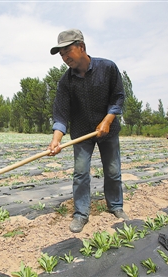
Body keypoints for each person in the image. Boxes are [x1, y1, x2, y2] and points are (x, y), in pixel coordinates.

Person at [47, 29, 128, 233]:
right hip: (82, 133)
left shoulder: (108, 68)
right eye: (61, 54)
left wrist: (108, 120)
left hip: (108, 130)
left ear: (81, 47)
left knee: (112, 170)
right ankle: (81, 213)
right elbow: (61, 113)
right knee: (81, 172)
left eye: (67, 51)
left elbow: (118, 97)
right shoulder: (66, 82)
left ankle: (116, 206)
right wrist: (56, 139)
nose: (64, 58)